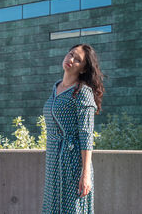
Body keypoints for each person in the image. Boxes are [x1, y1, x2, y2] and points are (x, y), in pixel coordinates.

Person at [42, 43, 105, 213]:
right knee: (52, 206)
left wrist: (85, 174)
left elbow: (86, 135)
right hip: (53, 159)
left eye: (77, 60)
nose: (71, 59)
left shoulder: (82, 92)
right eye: (70, 54)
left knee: (72, 208)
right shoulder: (55, 87)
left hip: (73, 161)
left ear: (83, 69)